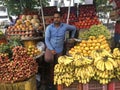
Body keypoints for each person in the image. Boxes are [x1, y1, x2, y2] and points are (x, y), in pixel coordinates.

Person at [44, 11, 76, 86]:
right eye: (54, 17)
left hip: (59, 49)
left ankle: (58, 81)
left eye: (57, 17)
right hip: (50, 47)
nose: (56, 19)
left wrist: (72, 37)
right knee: (49, 60)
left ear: (60, 18)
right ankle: (50, 81)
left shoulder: (64, 26)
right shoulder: (49, 28)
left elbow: (74, 28)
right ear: (53, 19)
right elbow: (46, 40)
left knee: (58, 65)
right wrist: (51, 49)